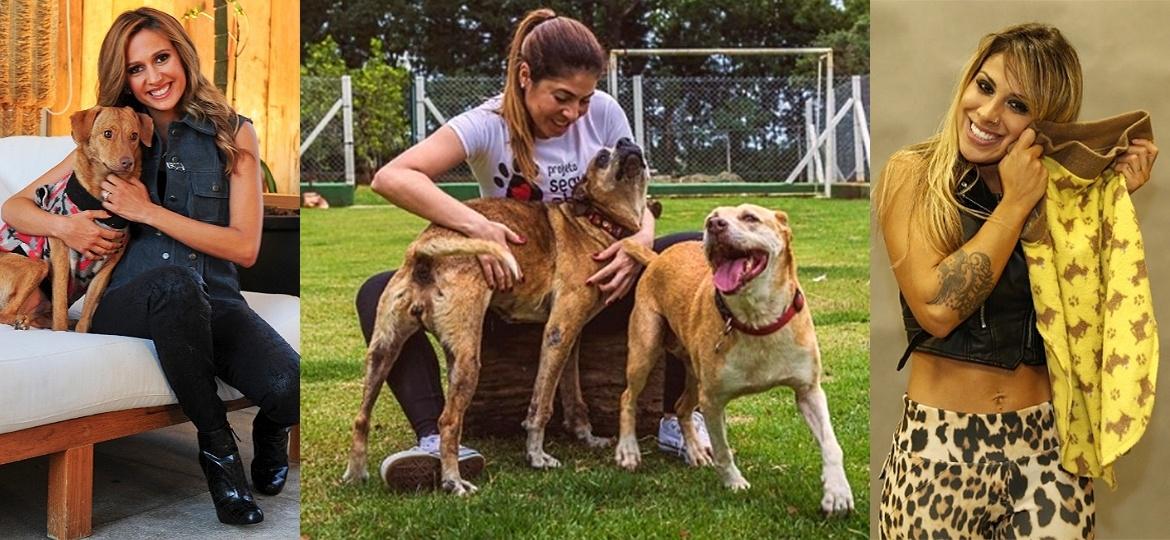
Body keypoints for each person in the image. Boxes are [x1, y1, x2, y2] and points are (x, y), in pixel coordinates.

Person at [357, 8, 709, 490]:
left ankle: (677, 417)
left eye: (583, 101)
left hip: (602, 282)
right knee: (377, 290)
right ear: (525, 77)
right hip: (511, 293)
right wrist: (479, 229)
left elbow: (636, 188)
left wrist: (640, 240)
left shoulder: (604, 112)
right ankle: (432, 439)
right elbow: (391, 177)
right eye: (561, 98)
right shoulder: (486, 124)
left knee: (687, 252)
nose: (573, 114)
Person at [1, 8, 299, 526]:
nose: (153, 77)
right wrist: (67, 229)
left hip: (214, 297)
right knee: (171, 283)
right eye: (137, 68)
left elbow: (245, 247)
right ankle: (219, 452)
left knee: (290, 387)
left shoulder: (232, 133)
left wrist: (147, 211)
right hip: (130, 300)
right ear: (125, 77)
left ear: (182, 54)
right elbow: (15, 208)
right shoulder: (108, 134)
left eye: (161, 58)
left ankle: (270, 430)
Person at [874, 23, 1157, 537]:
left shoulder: (1063, 191)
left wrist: (1110, 203)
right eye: (984, 87)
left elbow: (1087, 320)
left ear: (1043, 122)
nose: (987, 114)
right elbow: (936, 308)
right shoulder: (911, 174)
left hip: (1047, 447)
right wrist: (1017, 200)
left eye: (1017, 105)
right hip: (939, 449)